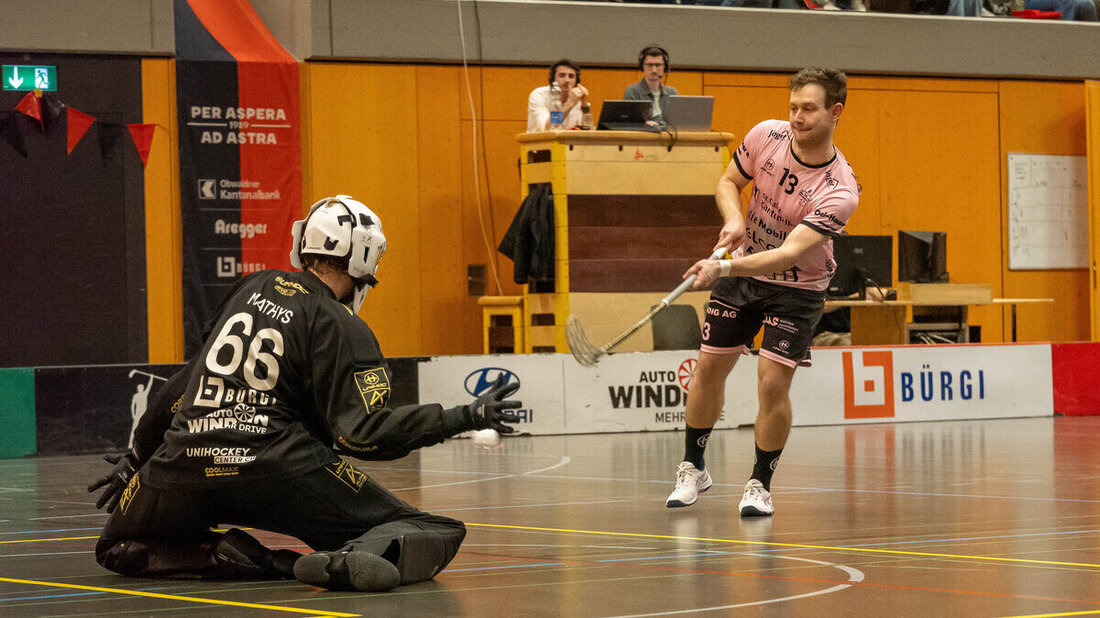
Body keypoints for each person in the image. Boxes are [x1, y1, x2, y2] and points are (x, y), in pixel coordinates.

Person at [88, 195, 523, 592]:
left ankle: (255, 561)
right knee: (434, 528)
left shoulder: (250, 287)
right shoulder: (339, 322)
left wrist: (137, 455)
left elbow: (187, 382)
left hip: (185, 464)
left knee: (115, 546)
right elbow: (362, 434)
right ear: (362, 256)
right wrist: (464, 416)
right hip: (278, 469)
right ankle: (349, 561)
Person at [664, 68, 859, 516]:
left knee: (772, 383)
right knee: (709, 368)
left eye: (808, 109)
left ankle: (759, 484)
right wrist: (734, 218)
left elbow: (787, 255)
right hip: (742, 271)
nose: (797, 117)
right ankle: (693, 467)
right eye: (793, 107)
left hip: (797, 287)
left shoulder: (840, 190)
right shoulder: (765, 135)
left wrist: (722, 267)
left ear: (835, 112)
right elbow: (728, 182)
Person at [527, 59, 590, 132]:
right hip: (540, 139)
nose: (567, 80)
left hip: (568, 139)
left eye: (571, 76)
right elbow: (547, 128)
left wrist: (584, 105)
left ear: (577, 81)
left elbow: (588, 129)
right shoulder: (539, 95)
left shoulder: (577, 97)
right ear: (553, 78)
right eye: (562, 75)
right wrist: (569, 104)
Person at [623, 45, 678, 127]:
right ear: (642, 66)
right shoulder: (632, 91)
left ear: (665, 67)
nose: (654, 70)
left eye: (658, 65)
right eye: (649, 65)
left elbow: (676, 122)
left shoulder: (672, 92)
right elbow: (630, 122)